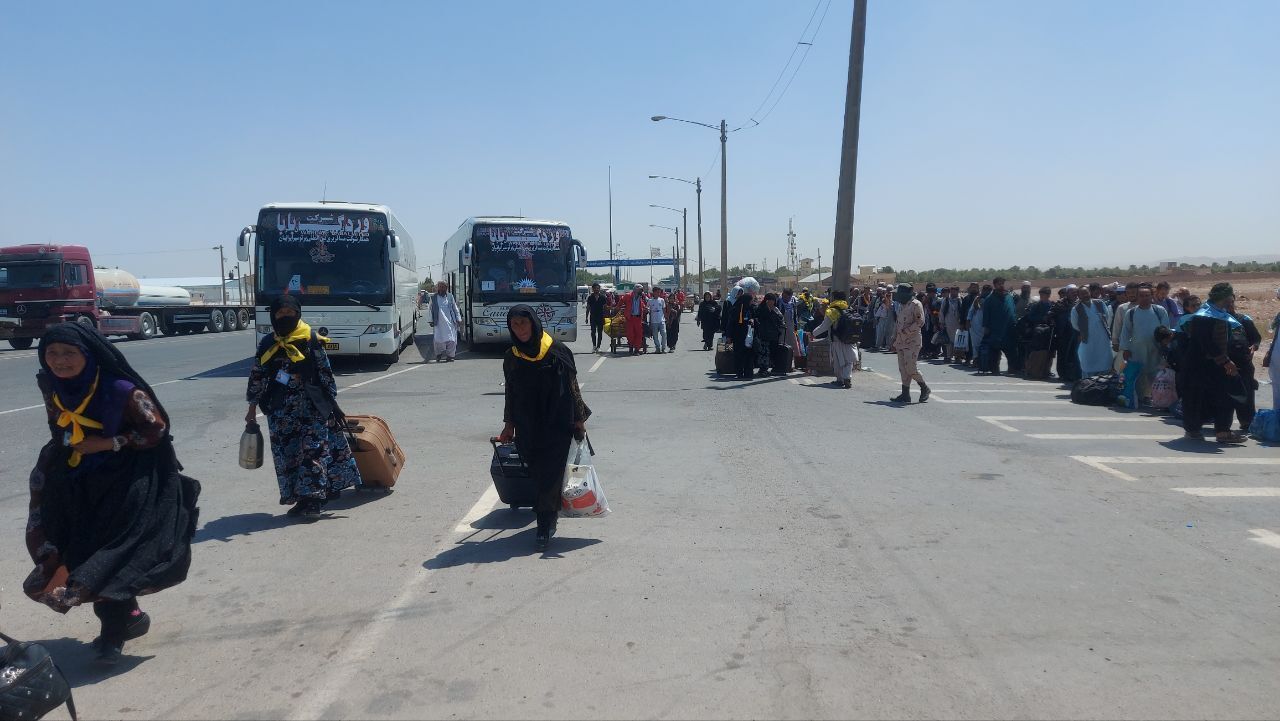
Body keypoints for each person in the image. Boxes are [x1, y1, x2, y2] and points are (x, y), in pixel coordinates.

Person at [26, 323, 200, 662]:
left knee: (109, 555)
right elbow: (57, 423)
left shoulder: (122, 390)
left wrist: (109, 442)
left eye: (68, 353)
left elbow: (157, 430)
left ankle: (113, 634)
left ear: (87, 355)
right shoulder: (52, 385)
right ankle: (131, 617)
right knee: (77, 551)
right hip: (75, 478)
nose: (59, 361)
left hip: (126, 480)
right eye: (52, 353)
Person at [246, 296, 361, 519]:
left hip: (312, 407)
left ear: (298, 314)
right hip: (280, 410)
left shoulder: (311, 339)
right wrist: (252, 408)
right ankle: (300, 499)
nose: (285, 317)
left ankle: (314, 501)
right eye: (281, 313)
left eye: (290, 312)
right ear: (273, 316)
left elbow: (325, 373)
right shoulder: (268, 344)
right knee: (289, 456)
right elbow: (257, 376)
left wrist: (330, 404)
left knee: (314, 452)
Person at [498, 306, 591, 550]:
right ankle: (548, 510)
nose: (520, 329)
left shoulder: (557, 351)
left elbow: (573, 387)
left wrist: (579, 419)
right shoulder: (512, 356)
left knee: (551, 470)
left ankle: (545, 521)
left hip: (558, 421)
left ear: (533, 323)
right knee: (537, 471)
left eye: (523, 323)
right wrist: (509, 425)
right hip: (528, 423)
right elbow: (510, 392)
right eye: (515, 325)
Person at [1180, 283, 1247, 444]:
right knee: (1196, 397)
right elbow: (1206, 342)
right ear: (1223, 297)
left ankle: (1223, 432)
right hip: (1199, 364)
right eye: (1230, 296)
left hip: (1216, 364)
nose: (1232, 299)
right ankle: (1193, 430)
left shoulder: (1220, 313)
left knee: (1224, 396)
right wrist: (1225, 361)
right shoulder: (1205, 315)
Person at [1118, 285, 1170, 405]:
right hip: (1137, 350)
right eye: (1142, 296)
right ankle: (1141, 398)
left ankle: (1158, 399)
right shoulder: (1131, 313)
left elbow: (1166, 330)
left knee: (1156, 374)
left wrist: (1165, 347)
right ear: (1137, 297)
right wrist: (1125, 349)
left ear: (1152, 296)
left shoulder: (1159, 311)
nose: (1145, 298)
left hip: (1156, 350)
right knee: (1139, 375)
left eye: (1147, 295)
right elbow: (1125, 332)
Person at [889, 283, 931, 402]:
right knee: (903, 368)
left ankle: (924, 387)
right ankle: (905, 394)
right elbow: (898, 323)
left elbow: (920, 322)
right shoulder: (901, 305)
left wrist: (906, 331)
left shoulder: (916, 304)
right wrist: (894, 339)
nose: (896, 295)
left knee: (911, 367)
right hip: (901, 341)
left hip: (912, 341)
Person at [810, 289, 857, 388]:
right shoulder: (849, 308)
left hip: (837, 339)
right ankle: (847, 378)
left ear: (834, 299)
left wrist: (813, 333)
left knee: (838, 361)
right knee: (849, 360)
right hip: (850, 339)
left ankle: (840, 380)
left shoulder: (832, 311)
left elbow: (824, 326)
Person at [1071, 288, 1114, 376]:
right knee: (1088, 362)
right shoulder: (1076, 309)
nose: (1085, 295)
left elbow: (1108, 317)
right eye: (1082, 294)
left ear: (1089, 292)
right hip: (1088, 340)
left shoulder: (1100, 303)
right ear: (1079, 296)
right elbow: (1075, 325)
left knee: (1105, 361)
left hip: (1103, 339)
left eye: (1086, 293)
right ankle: (1088, 385)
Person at [982, 277, 1016, 374]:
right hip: (995, 329)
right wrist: (986, 327)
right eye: (999, 283)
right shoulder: (990, 299)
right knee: (994, 351)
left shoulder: (1009, 297)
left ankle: (1012, 368)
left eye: (1002, 283)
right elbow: (986, 314)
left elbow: (1013, 310)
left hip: (1008, 329)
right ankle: (994, 369)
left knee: (1011, 351)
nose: (1001, 285)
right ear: (995, 285)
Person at [726, 285, 756, 379]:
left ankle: (748, 373)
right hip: (738, 336)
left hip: (749, 336)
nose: (751, 302)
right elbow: (730, 323)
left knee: (749, 354)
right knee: (739, 354)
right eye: (750, 300)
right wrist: (729, 336)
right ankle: (739, 372)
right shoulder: (736, 309)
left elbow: (756, 318)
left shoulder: (751, 308)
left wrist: (753, 320)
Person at [428, 281, 462, 362]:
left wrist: (458, 318)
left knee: (452, 340)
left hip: (450, 322)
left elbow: (455, 308)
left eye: (443, 287)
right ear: (438, 288)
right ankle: (438, 354)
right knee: (438, 340)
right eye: (440, 287)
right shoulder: (433, 297)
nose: (441, 288)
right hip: (438, 322)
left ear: (446, 288)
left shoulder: (450, 296)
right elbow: (430, 309)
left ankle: (450, 356)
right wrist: (430, 320)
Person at [754, 292, 785, 376]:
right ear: (767, 301)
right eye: (771, 300)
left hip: (773, 334)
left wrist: (774, 311)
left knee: (770, 351)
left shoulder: (775, 309)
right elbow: (759, 319)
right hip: (763, 334)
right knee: (764, 352)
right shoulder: (761, 308)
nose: (773, 302)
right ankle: (762, 369)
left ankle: (767, 367)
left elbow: (781, 318)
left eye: (774, 301)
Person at [623, 285, 648, 355]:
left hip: (638, 318)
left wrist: (645, 308)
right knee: (630, 334)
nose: (642, 291)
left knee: (639, 334)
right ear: (635, 290)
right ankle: (631, 346)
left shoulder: (641, 297)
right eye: (641, 290)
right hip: (630, 318)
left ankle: (636, 350)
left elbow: (642, 304)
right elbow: (621, 301)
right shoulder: (628, 296)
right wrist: (616, 308)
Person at [585, 282, 608, 352]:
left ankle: (598, 347)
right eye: (595, 288)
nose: (596, 290)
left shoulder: (603, 297)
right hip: (593, 317)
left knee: (600, 332)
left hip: (601, 317)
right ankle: (594, 346)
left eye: (597, 288)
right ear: (592, 289)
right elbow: (588, 308)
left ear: (599, 289)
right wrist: (586, 317)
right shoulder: (590, 297)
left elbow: (605, 308)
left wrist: (606, 317)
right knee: (593, 332)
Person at [648, 287, 668, 353]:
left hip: (661, 320)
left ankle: (663, 348)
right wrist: (650, 322)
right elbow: (648, 311)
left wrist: (666, 318)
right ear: (653, 292)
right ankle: (657, 347)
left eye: (659, 292)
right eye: (657, 292)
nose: (658, 293)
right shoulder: (650, 301)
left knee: (664, 334)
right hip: (654, 321)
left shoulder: (662, 300)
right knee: (655, 335)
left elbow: (664, 310)